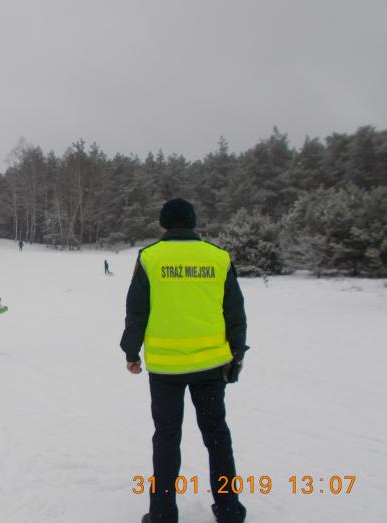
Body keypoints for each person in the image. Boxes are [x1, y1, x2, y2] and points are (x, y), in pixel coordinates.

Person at [120, 198, 248, 523]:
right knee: (217, 436)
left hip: (166, 369)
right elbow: (235, 312)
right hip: (210, 366)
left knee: (166, 437)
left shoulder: (149, 258)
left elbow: (137, 312)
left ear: (164, 223)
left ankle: (163, 513)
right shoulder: (218, 258)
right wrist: (237, 354)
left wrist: (131, 352)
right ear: (192, 222)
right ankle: (229, 508)